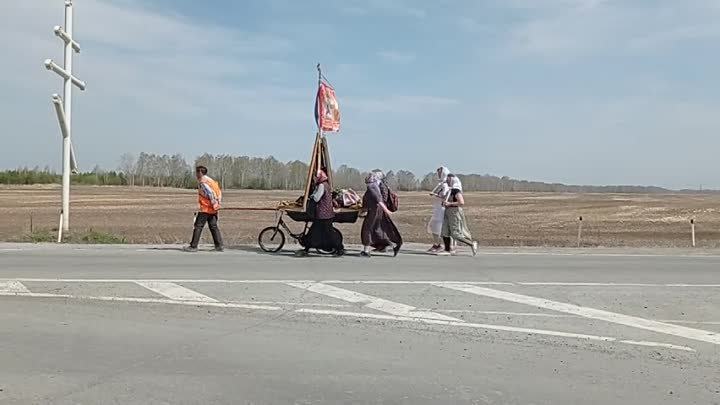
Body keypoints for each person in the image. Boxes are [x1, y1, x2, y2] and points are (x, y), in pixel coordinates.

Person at [297, 169, 345, 257]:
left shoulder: (321, 186)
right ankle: (306, 248)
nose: (314, 178)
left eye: (315, 177)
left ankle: (339, 248)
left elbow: (317, 198)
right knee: (315, 231)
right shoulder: (326, 185)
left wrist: (311, 196)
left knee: (323, 232)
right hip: (326, 213)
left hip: (323, 214)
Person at [360, 172, 402, 257]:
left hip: (374, 211)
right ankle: (392, 245)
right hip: (376, 211)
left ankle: (366, 251)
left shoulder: (372, 187)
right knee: (376, 229)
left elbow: (379, 200)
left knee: (367, 229)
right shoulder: (374, 186)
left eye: (371, 176)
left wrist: (386, 210)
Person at [185, 166, 224, 252]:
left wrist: (213, 203)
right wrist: (218, 203)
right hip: (213, 209)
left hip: (206, 208)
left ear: (200, 173)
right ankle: (219, 245)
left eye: (196, 172)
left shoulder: (203, 182)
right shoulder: (212, 181)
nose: (196, 174)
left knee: (198, 226)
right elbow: (219, 192)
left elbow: (211, 193)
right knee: (213, 227)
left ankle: (193, 246)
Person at [438, 174, 478, 256]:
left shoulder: (456, 191)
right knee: (444, 231)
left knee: (455, 233)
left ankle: (471, 244)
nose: (447, 181)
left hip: (454, 212)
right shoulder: (449, 190)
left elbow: (461, 202)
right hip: (447, 211)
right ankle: (447, 249)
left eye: (449, 180)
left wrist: (449, 203)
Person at [427, 166, 450, 253]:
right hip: (437, 209)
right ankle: (437, 244)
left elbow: (444, 196)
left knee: (438, 227)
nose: (438, 174)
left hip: (441, 210)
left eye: (440, 173)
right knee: (433, 227)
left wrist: (435, 195)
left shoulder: (445, 185)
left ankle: (440, 245)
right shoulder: (440, 184)